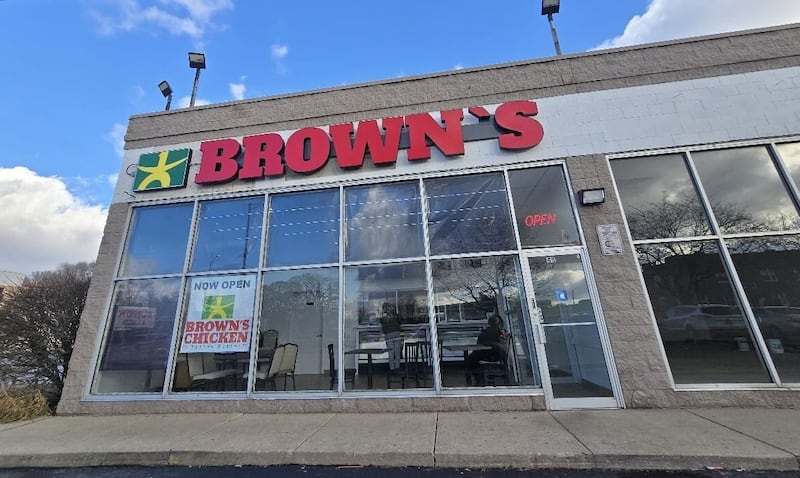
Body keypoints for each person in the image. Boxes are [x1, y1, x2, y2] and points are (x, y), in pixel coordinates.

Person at [465, 314, 508, 386]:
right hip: (496, 354)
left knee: (470, 360)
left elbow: (481, 343)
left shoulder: (489, 331)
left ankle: (476, 379)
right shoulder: (496, 331)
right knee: (472, 359)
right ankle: (478, 379)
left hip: (491, 355)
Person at [380, 303, 404, 371]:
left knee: (391, 352)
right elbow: (400, 322)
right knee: (397, 351)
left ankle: (392, 368)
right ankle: (397, 367)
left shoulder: (383, 317)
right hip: (396, 332)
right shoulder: (395, 315)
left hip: (388, 334)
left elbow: (383, 327)